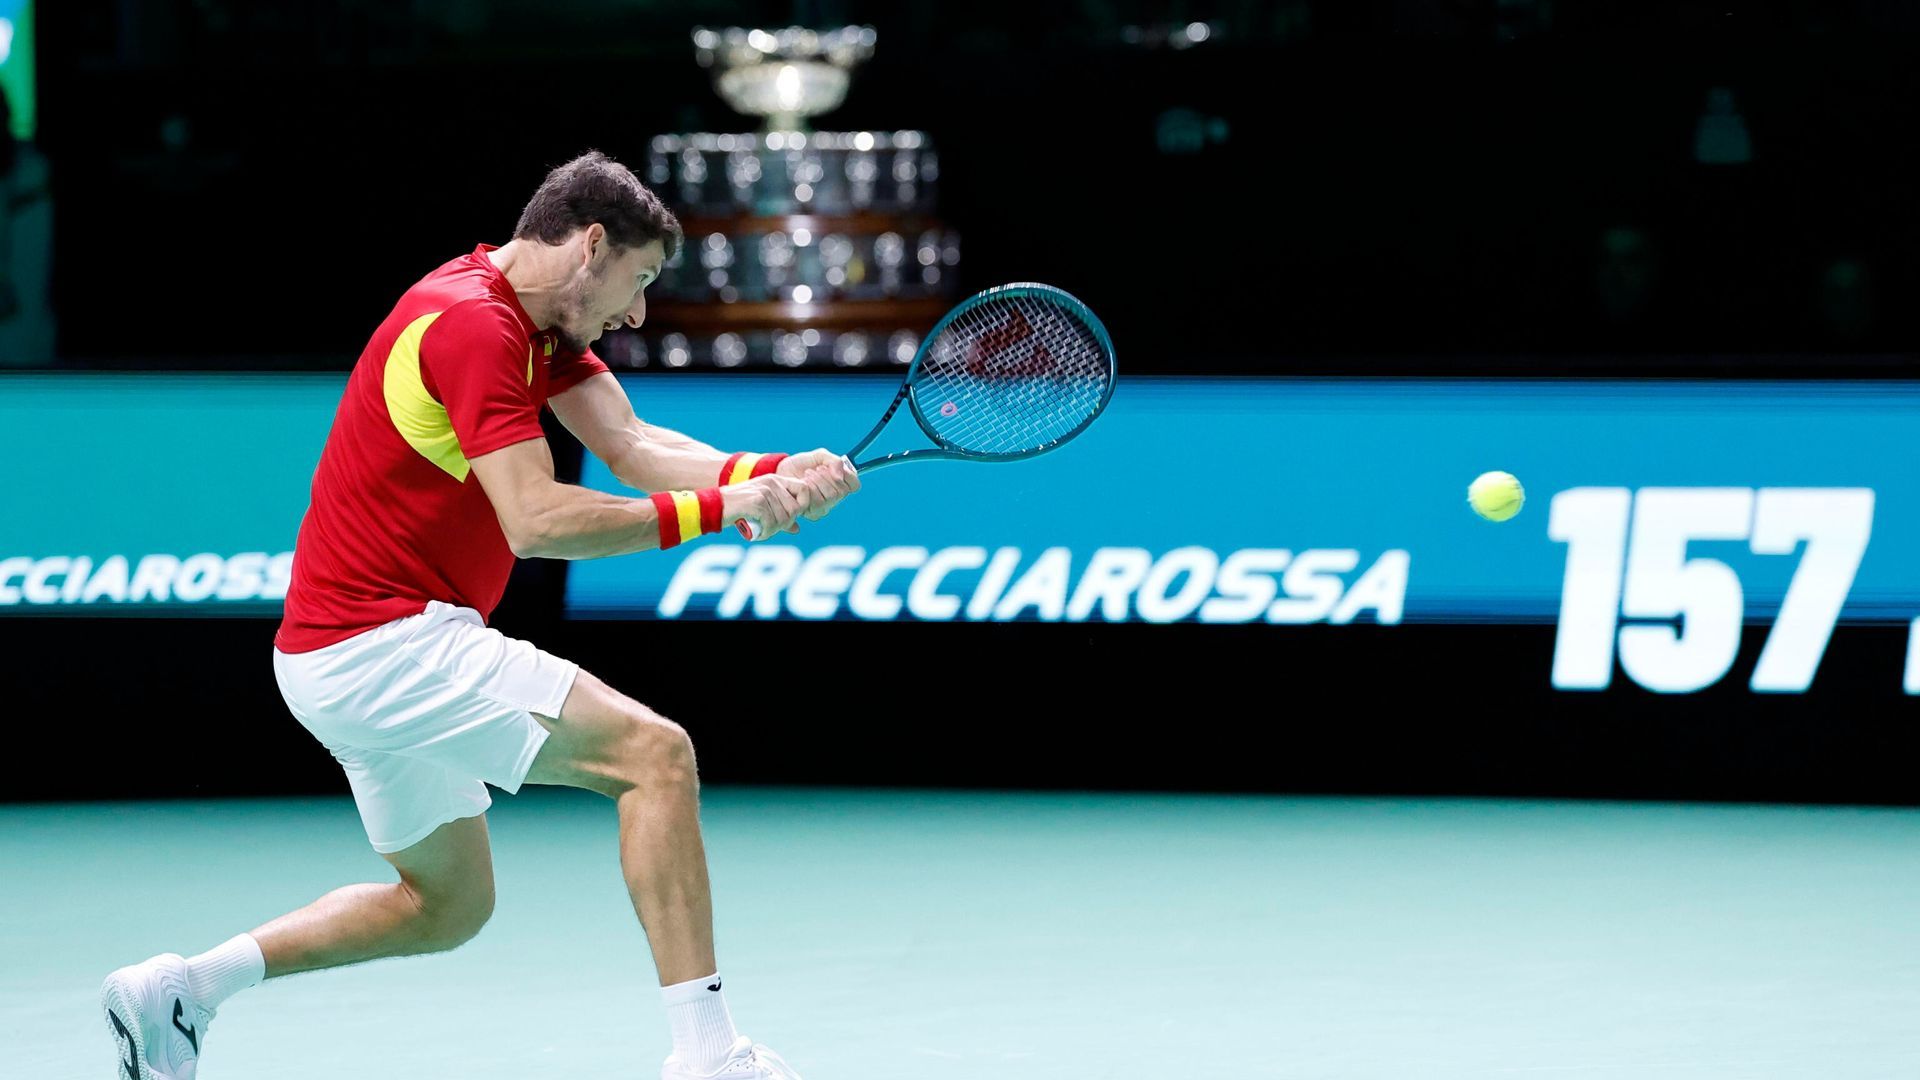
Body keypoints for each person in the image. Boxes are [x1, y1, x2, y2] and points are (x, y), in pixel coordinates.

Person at [100, 150, 859, 1080]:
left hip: (330, 657)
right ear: (590, 247)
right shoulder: (471, 330)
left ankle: (184, 989)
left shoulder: (536, 324)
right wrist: (720, 514)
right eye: (640, 279)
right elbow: (537, 522)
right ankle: (710, 1057)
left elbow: (631, 446)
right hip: (387, 643)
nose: (639, 312)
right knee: (654, 758)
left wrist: (769, 474)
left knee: (446, 907)